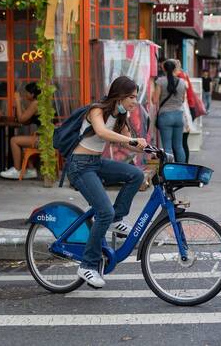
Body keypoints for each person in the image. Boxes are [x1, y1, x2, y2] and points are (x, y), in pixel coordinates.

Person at [68, 76, 148, 288]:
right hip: (79, 165)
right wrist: (131, 140)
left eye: (136, 96)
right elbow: (102, 132)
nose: (134, 101)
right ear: (119, 95)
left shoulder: (121, 116)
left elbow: (130, 144)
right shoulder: (97, 110)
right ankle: (87, 265)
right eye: (131, 96)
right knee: (104, 211)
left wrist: (148, 148)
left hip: (96, 162)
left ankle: (116, 218)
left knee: (135, 175)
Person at [0, 83, 42, 179]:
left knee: (14, 140)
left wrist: (18, 101)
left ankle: (17, 170)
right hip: (43, 137)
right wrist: (20, 105)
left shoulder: (36, 103)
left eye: (26, 93)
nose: (25, 94)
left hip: (43, 140)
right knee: (24, 139)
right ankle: (31, 170)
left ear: (32, 94)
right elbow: (26, 121)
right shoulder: (37, 102)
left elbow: (21, 119)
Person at [154, 59, 187, 163]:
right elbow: (183, 99)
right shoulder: (182, 82)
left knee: (167, 148)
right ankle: (182, 170)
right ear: (174, 68)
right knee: (179, 146)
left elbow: (154, 100)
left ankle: (169, 171)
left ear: (163, 68)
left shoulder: (160, 81)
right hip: (179, 116)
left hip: (165, 116)